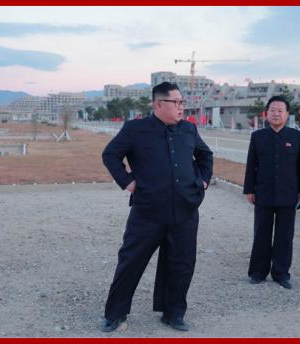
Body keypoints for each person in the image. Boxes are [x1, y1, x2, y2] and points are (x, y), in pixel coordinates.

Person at [101, 82, 213, 332]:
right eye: (177, 102)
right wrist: (127, 182)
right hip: (148, 211)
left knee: (182, 263)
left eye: (183, 102)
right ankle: (115, 313)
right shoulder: (135, 129)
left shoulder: (188, 130)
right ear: (159, 104)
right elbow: (110, 155)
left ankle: (173, 313)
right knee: (131, 261)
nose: (182, 107)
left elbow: (206, 156)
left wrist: (202, 181)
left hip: (184, 210)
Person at [243, 96, 300, 289]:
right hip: (263, 193)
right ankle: (257, 272)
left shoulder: (296, 137)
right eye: (273, 110)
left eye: (280, 110)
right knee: (261, 233)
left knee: (285, 236)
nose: (276, 113)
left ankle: (281, 273)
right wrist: (249, 189)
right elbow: (251, 166)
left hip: (288, 194)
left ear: (287, 114)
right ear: (267, 113)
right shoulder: (258, 137)